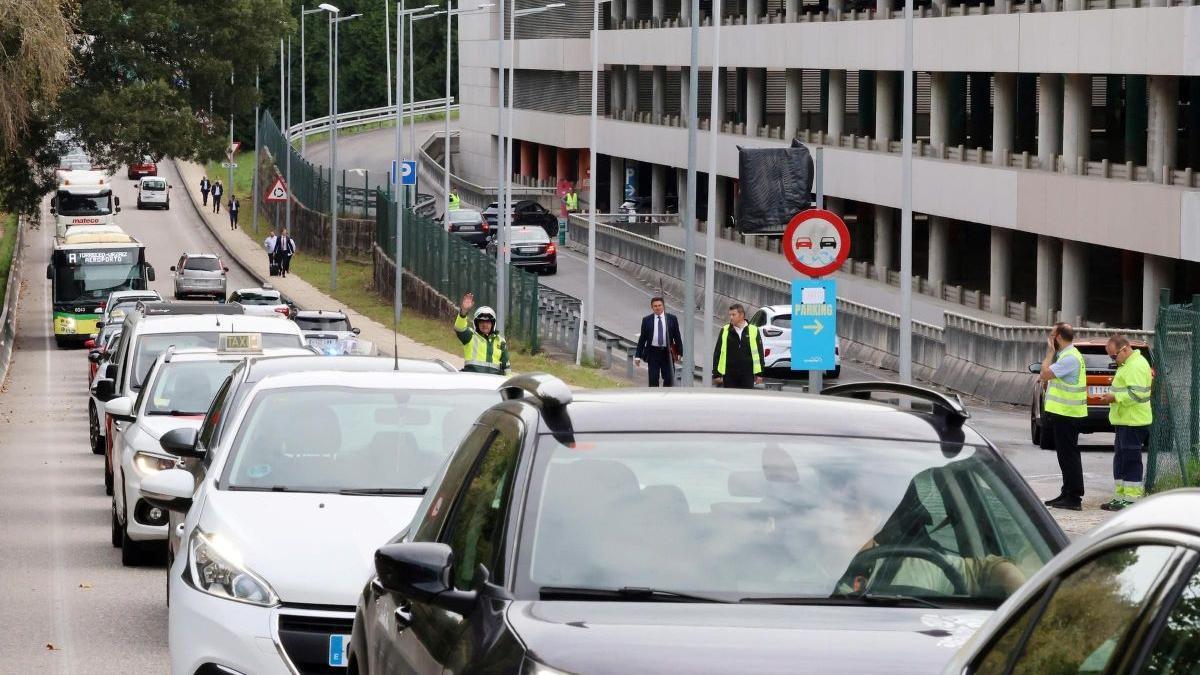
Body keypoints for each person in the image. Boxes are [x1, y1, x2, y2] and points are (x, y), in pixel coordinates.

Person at [1098, 335, 1153, 511]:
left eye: (1114, 356)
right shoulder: (1127, 364)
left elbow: (1136, 394)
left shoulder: (1136, 365)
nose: (1113, 360)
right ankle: (1121, 497)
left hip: (1133, 421)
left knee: (1130, 460)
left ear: (1124, 349)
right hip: (1125, 419)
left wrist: (1114, 397)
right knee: (1121, 460)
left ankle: (1131, 499)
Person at [1038, 322, 1087, 511]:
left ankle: (1074, 497)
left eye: (1051, 335)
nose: (1050, 339)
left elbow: (1044, 374)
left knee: (1069, 455)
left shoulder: (1069, 357)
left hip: (1068, 413)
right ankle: (1067, 492)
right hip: (1065, 413)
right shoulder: (1068, 355)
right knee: (1065, 455)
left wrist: (1049, 353)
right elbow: (1050, 378)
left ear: (1058, 337)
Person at [453, 292, 509, 375]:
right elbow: (459, 328)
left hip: (492, 384)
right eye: (481, 322)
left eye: (488, 322)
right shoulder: (470, 336)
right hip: (472, 381)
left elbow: (507, 369)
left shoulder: (501, 342)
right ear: (476, 324)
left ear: (493, 324)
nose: (484, 324)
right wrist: (463, 312)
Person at [712, 303, 764, 389]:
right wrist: (716, 374)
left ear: (741, 315)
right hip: (729, 375)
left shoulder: (753, 330)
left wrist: (759, 374)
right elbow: (717, 352)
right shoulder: (725, 330)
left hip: (747, 375)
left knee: (746, 400)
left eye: (733, 315)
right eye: (730, 315)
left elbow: (759, 353)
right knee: (730, 400)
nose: (731, 317)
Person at [635, 296, 682, 387]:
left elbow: (677, 336)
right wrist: (637, 355)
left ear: (663, 306)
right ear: (652, 307)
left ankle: (665, 396)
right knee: (653, 378)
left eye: (659, 305)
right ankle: (654, 398)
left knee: (669, 377)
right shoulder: (646, 320)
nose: (658, 308)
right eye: (655, 306)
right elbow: (642, 339)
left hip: (667, 353)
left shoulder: (672, 319)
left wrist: (680, 352)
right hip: (653, 353)